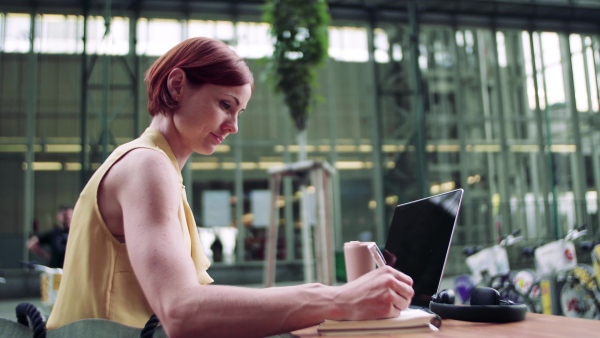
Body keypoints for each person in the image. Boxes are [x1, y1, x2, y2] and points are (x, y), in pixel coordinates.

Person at [46, 37, 414, 338]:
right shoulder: (148, 166)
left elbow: (199, 305)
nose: (233, 126)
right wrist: (336, 298)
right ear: (177, 85)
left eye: (239, 112)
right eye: (225, 105)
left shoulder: (154, 166)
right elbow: (182, 312)